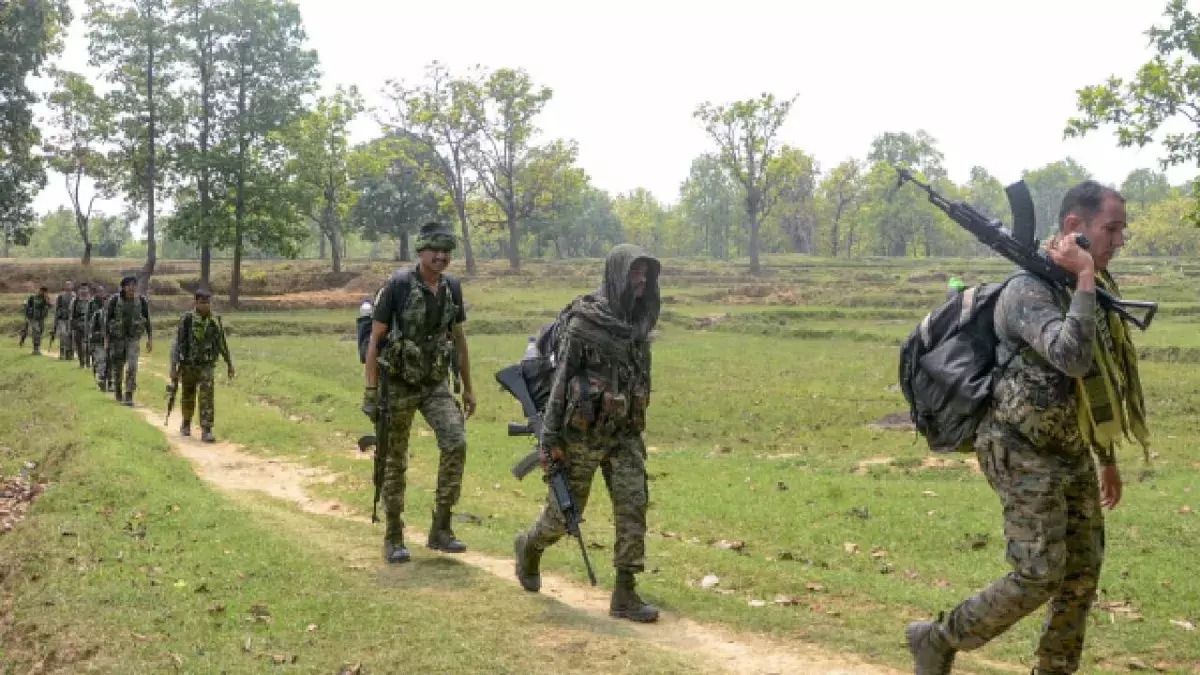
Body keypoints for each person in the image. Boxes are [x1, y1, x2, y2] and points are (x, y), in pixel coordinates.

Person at [907, 181, 1148, 674]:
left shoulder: (1086, 290)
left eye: (1122, 230)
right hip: (1018, 447)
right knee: (1039, 574)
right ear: (1075, 227)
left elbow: (1097, 380)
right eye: (1111, 229)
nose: (1119, 240)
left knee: (1082, 570)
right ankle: (937, 638)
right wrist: (1085, 277)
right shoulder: (1028, 291)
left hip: (1070, 449)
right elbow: (1072, 356)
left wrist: (1106, 458)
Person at [513, 244, 662, 624]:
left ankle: (625, 592)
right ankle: (530, 546)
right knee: (561, 518)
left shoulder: (640, 323)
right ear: (617, 274)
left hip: (624, 433)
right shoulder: (585, 323)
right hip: (580, 435)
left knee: (633, 506)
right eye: (635, 273)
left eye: (645, 273)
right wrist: (549, 441)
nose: (641, 281)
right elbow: (561, 382)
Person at [362, 221, 477, 563]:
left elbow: (458, 340)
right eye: (435, 250)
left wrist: (468, 388)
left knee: (456, 442)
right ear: (421, 251)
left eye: (447, 251)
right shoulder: (397, 286)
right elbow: (375, 340)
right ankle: (393, 535)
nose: (441, 257)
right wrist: (371, 390)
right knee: (394, 459)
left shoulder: (451, 288)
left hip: (434, 383)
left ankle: (441, 528)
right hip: (397, 383)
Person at [170, 289, 235, 442]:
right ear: (196, 303)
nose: (205, 306)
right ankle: (186, 423)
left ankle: (207, 429)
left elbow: (222, 342)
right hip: (189, 364)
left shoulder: (214, 320)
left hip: (207, 364)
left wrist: (229, 363)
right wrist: (173, 367)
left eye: (207, 302)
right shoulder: (187, 319)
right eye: (202, 302)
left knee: (207, 396)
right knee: (188, 394)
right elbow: (177, 343)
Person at [105, 276, 153, 407]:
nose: (132, 288)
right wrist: (106, 339)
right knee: (118, 367)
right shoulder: (115, 300)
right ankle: (118, 390)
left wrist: (150, 338)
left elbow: (147, 319)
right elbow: (107, 320)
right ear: (123, 287)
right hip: (118, 339)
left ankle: (129, 394)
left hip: (133, 338)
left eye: (134, 285)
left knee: (132, 366)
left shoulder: (141, 301)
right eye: (129, 285)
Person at [88, 285, 110, 390]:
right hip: (99, 342)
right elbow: (91, 329)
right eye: (106, 301)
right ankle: (101, 379)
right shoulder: (97, 314)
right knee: (101, 360)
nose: (108, 303)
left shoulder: (115, 315)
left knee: (110, 362)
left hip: (111, 343)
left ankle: (110, 382)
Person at [21, 287, 52, 355]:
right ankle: (36, 349)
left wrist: (46, 300)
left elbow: (50, 306)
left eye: (45, 292)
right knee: (36, 330)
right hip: (33, 318)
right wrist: (27, 316)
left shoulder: (46, 298)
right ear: (40, 291)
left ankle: (37, 347)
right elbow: (27, 306)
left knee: (40, 332)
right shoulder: (33, 297)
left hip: (41, 318)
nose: (43, 293)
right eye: (42, 291)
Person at [68, 282, 92, 368]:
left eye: (85, 289)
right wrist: (70, 328)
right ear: (79, 290)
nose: (84, 291)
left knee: (88, 346)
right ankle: (81, 362)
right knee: (79, 345)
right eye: (82, 289)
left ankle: (88, 362)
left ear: (88, 290)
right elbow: (71, 315)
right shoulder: (75, 301)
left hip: (89, 326)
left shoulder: (91, 301)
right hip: (78, 325)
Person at [53, 280, 75, 360]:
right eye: (67, 285)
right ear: (64, 286)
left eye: (69, 285)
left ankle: (70, 353)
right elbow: (57, 309)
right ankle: (62, 352)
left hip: (71, 319)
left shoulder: (75, 296)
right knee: (63, 334)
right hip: (62, 319)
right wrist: (55, 320)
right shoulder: (60, 296)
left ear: (72, 286)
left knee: (71, 336)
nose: (68, 287)